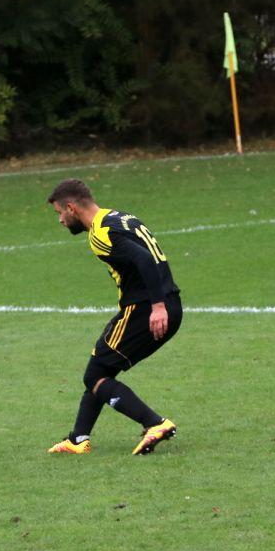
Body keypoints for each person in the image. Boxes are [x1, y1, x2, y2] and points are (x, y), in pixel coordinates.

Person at [46, 179, 181, 456]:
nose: (60, 220)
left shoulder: (101, 233)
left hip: (146, 310)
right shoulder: (120, 217)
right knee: (100, 370)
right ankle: (78, 439)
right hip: (169, 303)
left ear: (71, 208)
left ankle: (155, 424)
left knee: (95, 375)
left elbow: (145, 260)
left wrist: (157, 307)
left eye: (60, 213)